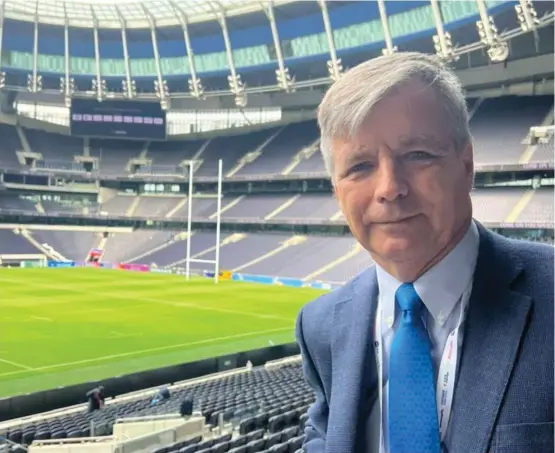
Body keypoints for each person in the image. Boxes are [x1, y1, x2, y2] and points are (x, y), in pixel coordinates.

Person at [295, 52, 553, 453]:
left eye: (417, 155)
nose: (389, 188)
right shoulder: (321, 326)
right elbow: (324, 439)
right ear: (336, 189)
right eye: (360, 166)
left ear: (466, 164)